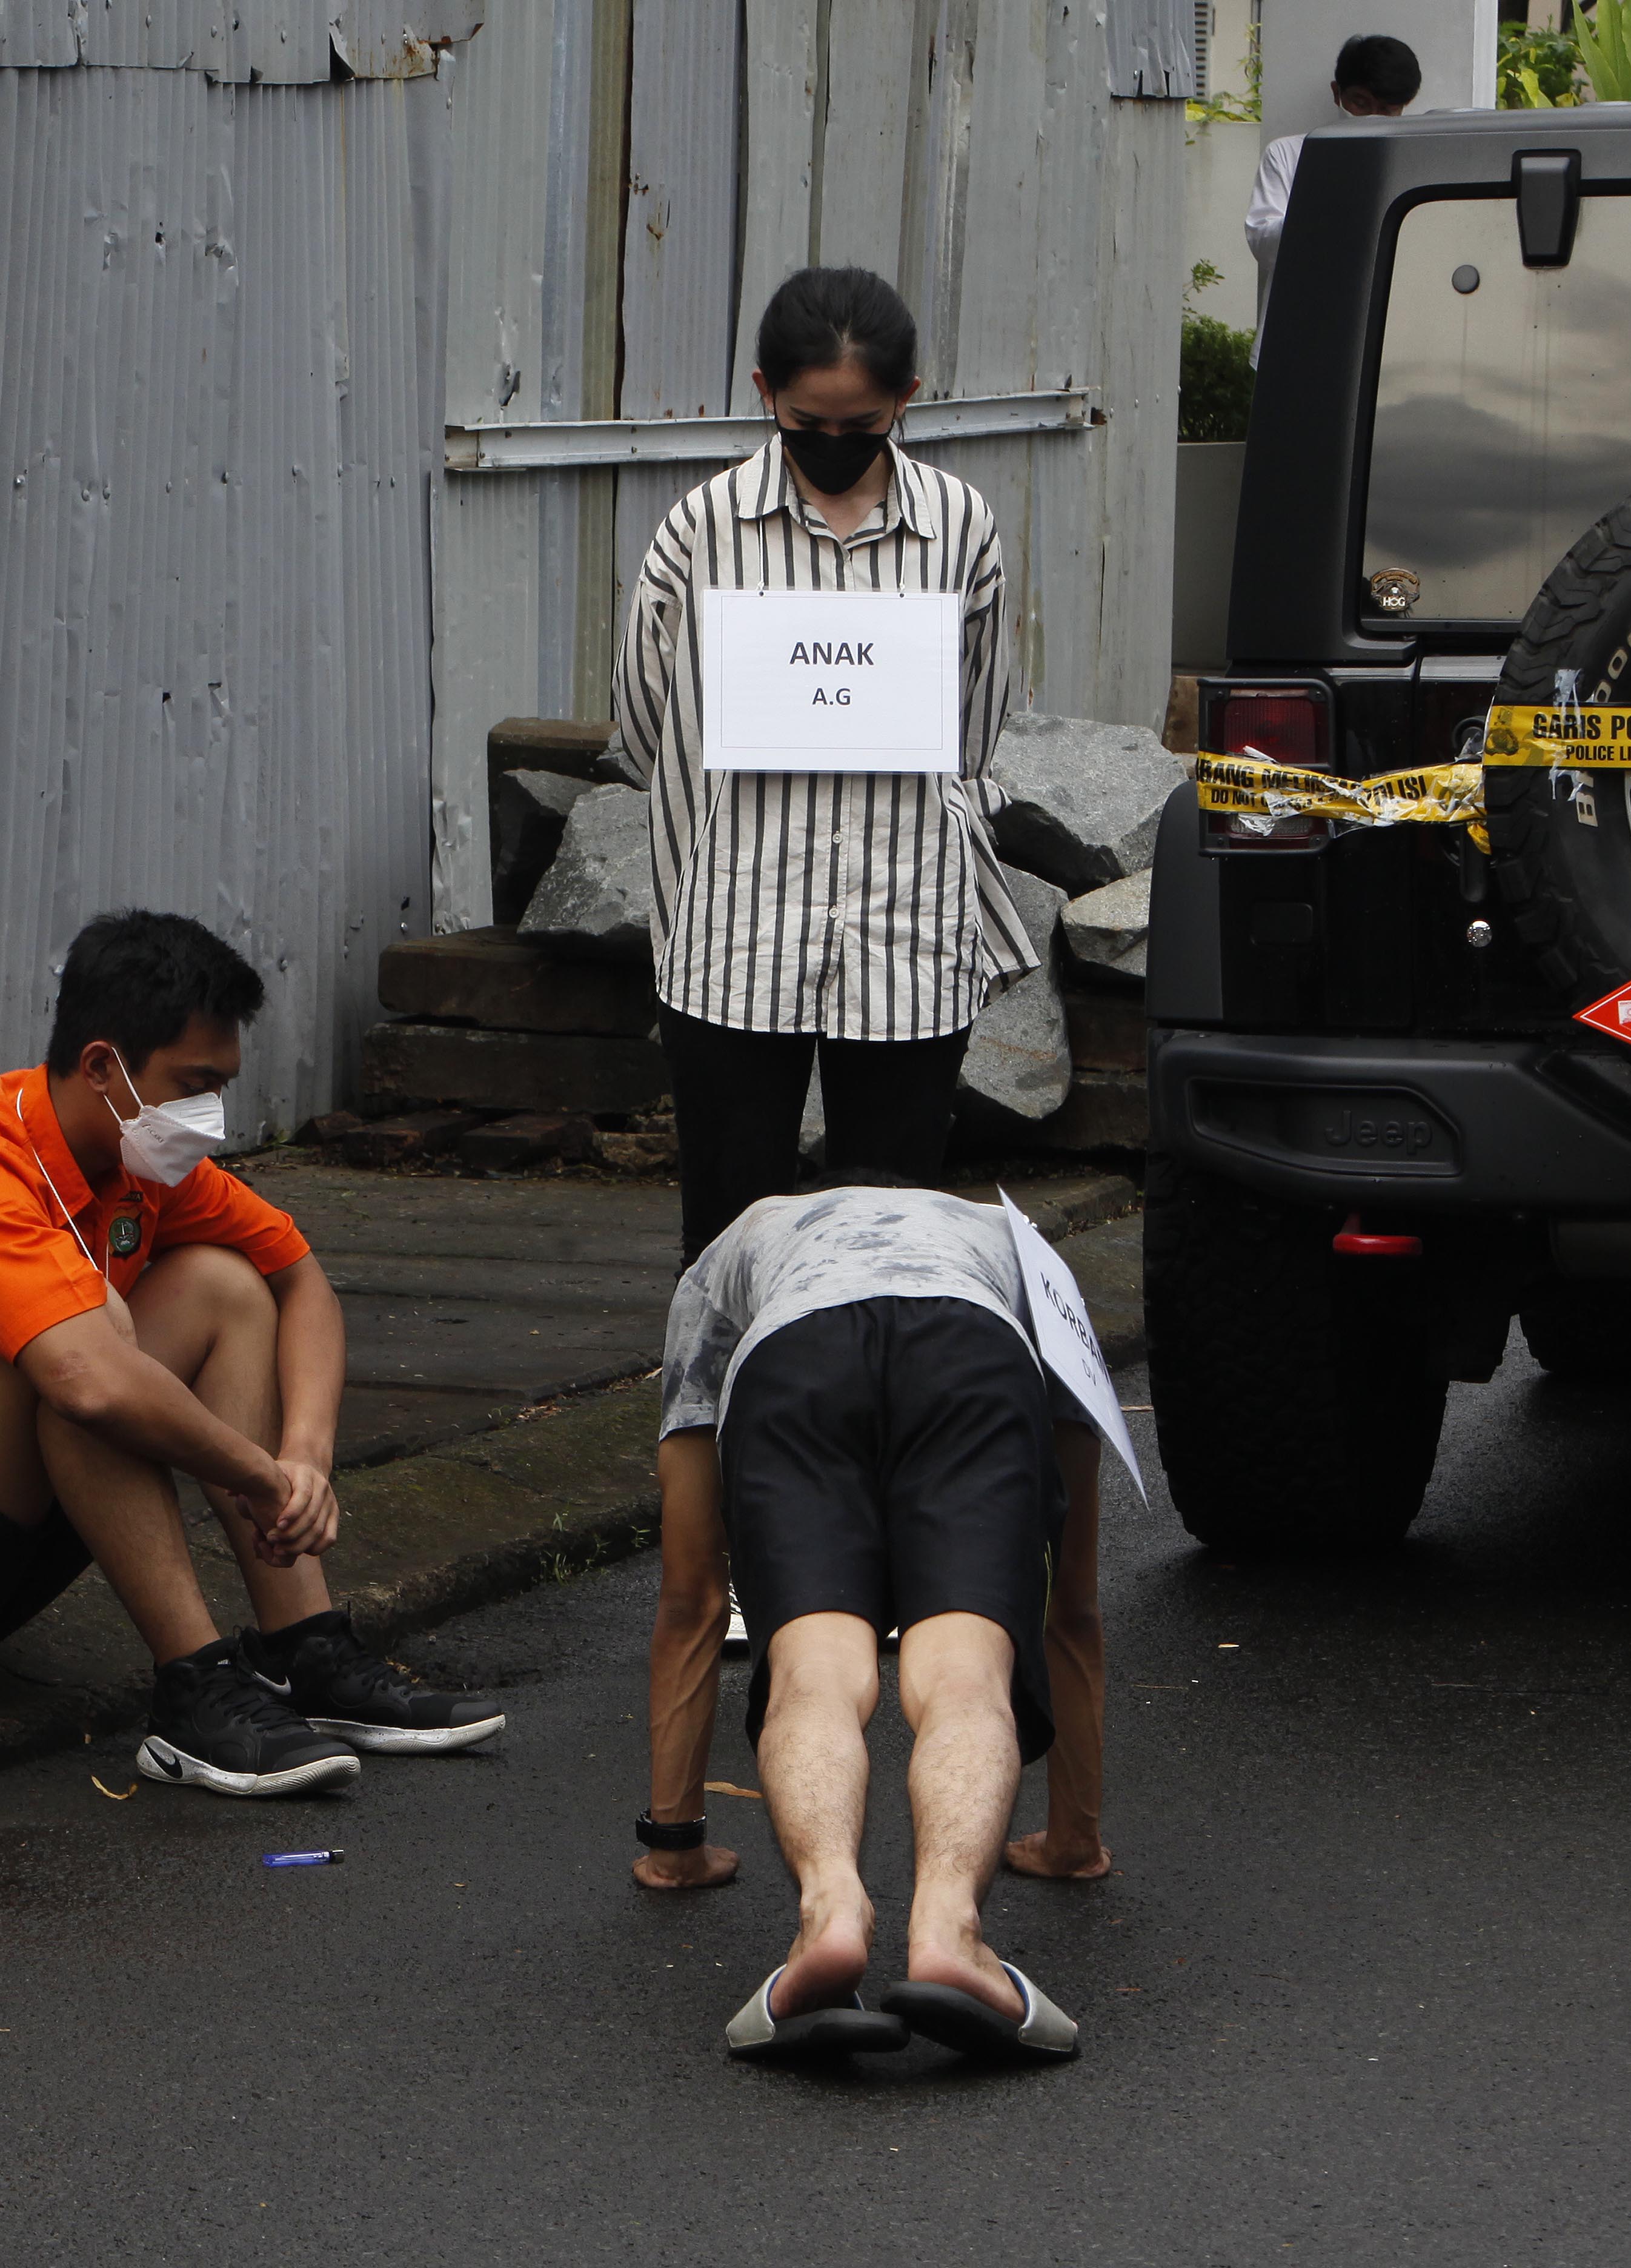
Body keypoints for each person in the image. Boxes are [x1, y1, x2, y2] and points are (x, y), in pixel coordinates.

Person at [0, 912, 503, 1796]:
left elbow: (302, 1280)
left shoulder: (139, 1166)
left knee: (224, 1284)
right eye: (193, 1084)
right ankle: (191, 1689)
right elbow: (86, 1379)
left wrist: (306, 1456)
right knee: (75, 1357)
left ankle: (307, 1651)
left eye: (220, 1086)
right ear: (105, 1067)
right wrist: (263, 1480)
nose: (210, 1115)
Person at [626, 1179, 1101, 2066]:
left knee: (815, 1672)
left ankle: (828, 1920)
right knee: (965, 1673)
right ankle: (950, 1932)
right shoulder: (1020, 1246)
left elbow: (692, 1598)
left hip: (795, 1357)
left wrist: (675, 1845)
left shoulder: (733, 1246)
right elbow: (1070, 1604)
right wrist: (1073, 1839)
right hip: (974, 1349)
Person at [615, 268, 1033, 1268]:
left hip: (906, 936)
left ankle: (866, 1419)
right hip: (731, 935)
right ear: (764, 392)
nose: (833, 445)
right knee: (728, 1241)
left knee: (893, 1244)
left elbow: (975, 734)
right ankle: (722, 1419)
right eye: (809, 422)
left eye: (862, 426)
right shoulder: (698, 528)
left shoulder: (964, 527)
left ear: (907, 400)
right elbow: (639, 730)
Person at [1246, 35, 1423, 351]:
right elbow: (1263, 243)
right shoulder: (1288, 154)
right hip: (1298, 336)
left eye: (1386, 108)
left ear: (1403, 107)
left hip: (1387, 340)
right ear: (1336, 93)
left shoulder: (1416, 164)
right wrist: (1320, 209)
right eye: (1360, 103)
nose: (1372, 117)